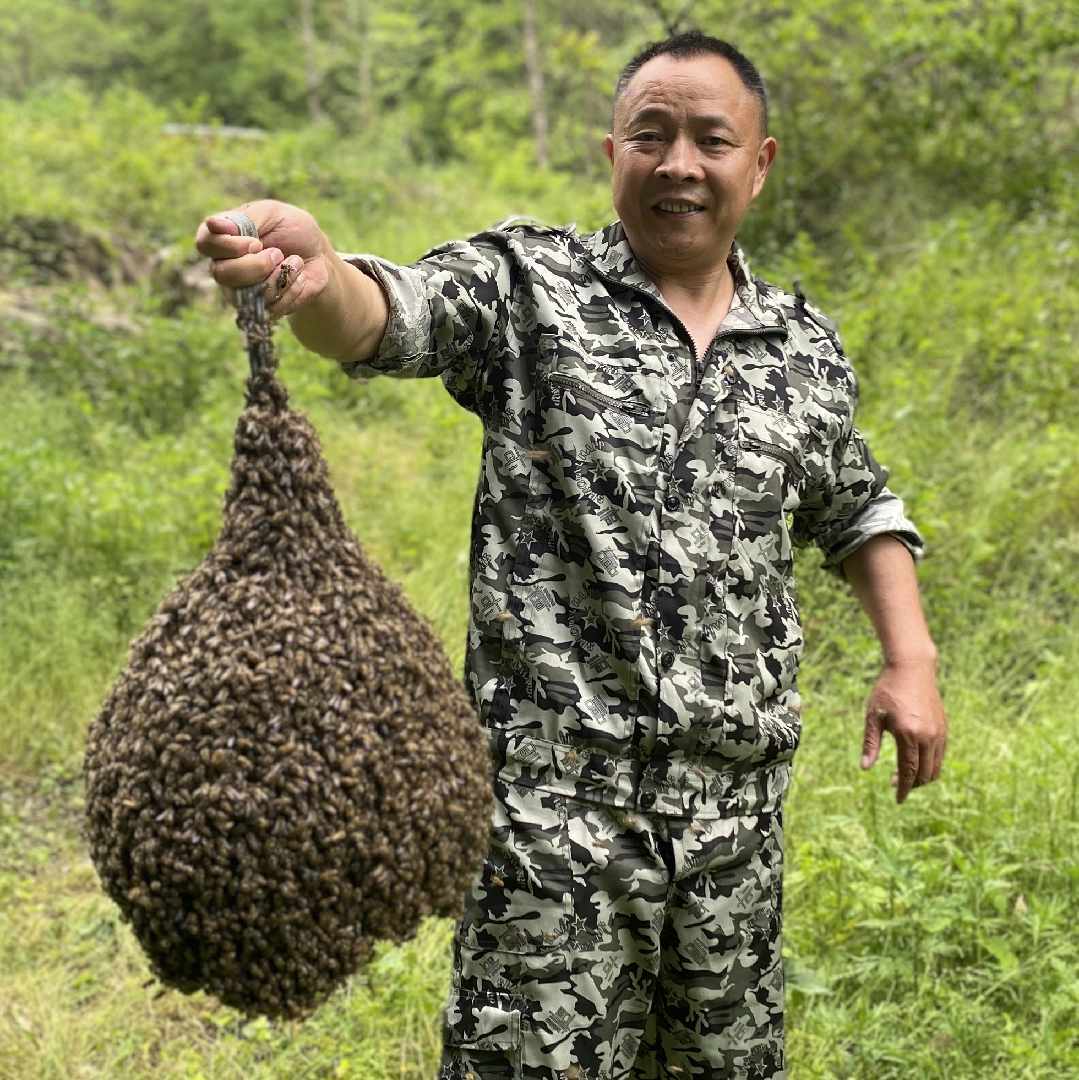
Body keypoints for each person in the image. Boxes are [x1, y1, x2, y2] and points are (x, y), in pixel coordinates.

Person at [197, 30, 947, 1080]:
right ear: (612, 153)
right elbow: (391, 316)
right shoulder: (528, 290)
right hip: (549, 832)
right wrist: (318, 277)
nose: (677, 162)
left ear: (757, 162)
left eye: (708, 139)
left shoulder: (799, 350)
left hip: (731, 831)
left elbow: (852, 499)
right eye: (650, 134)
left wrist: (907, 659)